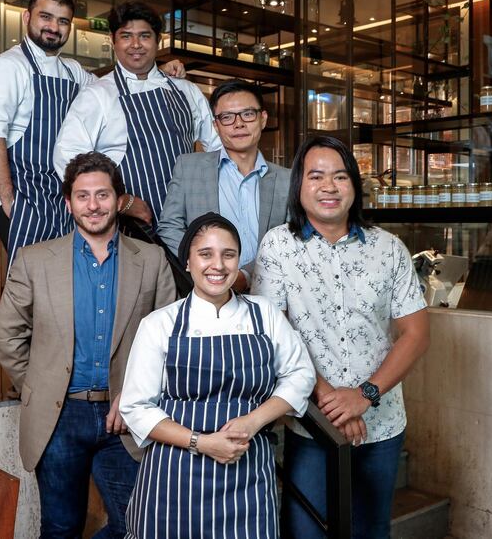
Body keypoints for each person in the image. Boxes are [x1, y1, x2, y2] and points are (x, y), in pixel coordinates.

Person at [251, 136, 430, 539]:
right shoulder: (278, 246)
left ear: (354, 185)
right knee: (306, 531)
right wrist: (332, 401)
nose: (329, 187)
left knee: (370, 530)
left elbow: (416, 334)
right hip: (312, 424)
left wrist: (363, 395)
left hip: (380, 424)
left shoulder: (389, 248)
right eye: (316, 176)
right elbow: (275, 334)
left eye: (340, 176)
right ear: (299, 185)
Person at [0, 151, 176, 537]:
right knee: (60, 527)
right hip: (58, 416)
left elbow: (170, 343)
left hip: (126, 416)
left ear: (118, 199)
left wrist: (134, 395)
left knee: (139, 524)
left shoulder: (153, 260)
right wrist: (41, 386)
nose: (93, 205)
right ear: (69, 202)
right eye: (83, 196)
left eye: (103, 195)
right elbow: (6, 335)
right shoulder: (34, 260)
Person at [119, 213, 315, 539]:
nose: (218, 265)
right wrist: (203, 443)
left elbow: (300, 375)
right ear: (187, 262)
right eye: (205, 254)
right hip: (176, 473)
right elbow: (136, 407)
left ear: (239, 262)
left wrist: (253, 421)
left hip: (248, 469)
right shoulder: (159, 324)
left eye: (229, 254)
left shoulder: (264, 313)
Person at [0, 0, 184, 265]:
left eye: (62, 21)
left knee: (60, 282)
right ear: (26, 17)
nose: (53, 27)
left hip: (56, 196)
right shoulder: (7, 67)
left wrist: (158, 73)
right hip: (22, 195)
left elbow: (116, 85)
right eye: (45, 17)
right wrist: (9, 201)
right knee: (32, 280)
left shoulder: (72, 71)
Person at [53, 1, 221, 227]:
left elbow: (218, 149)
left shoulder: (185, 89)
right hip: (128, 225)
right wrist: (123, 201)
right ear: (113, 41)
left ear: (158, 40)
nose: (135, 45)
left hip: (187, 221)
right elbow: (68, 157)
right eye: (126, 36)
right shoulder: (97, 95)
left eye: (144, 36)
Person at [158, 79, 290, 292]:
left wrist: (246, 274)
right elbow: (169, 226)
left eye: (248, 114)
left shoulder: (287, 179)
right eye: (227, 117)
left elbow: (290, 240)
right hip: (205, 290)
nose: (238, 124)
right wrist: (209, 265)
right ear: (216, 125)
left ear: (263, 119)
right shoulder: (189, 167)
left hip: (268, 292)